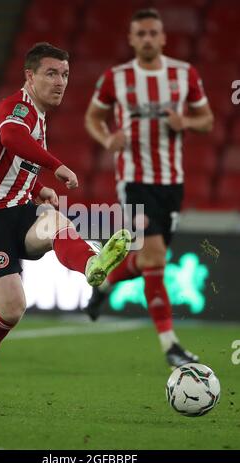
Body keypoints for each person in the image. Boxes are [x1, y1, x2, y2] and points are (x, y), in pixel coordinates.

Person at [0, 42, 131, 407]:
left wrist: (38, 188)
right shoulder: (18, 108)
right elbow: (10, 138)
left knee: (56, 220)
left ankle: (92, 265)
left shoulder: (39, 118)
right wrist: (56, 166)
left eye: (65, 74)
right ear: (29, 77)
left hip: (16, 211)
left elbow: (9, 164)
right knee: (12, 307)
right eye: (51, 73)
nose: (60, 81)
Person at [85, 9, 214, 368]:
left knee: (147, 260)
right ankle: (170, 345)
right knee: (156, 257)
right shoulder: (117, 77)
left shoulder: (184, 74)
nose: (146, 39)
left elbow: (207, 120)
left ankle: (105, 285)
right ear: (131, 39)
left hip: (172, 183)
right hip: (134, 181)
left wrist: (185, 121)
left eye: (152, 33)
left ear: (163, 38)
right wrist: (107, 137)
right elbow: (92, 118)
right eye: (139, 34)